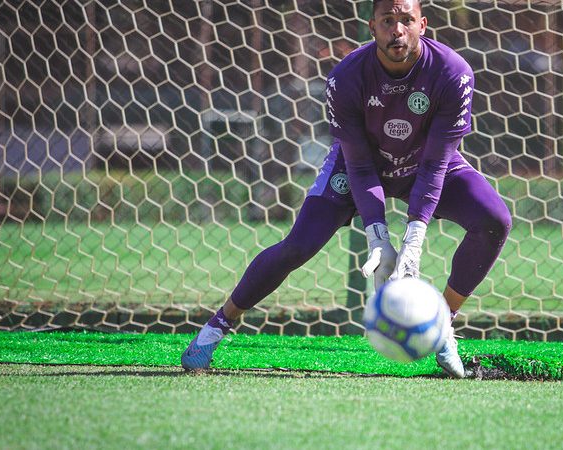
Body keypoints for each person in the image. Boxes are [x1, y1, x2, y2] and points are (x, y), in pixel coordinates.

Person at [182, 0, 511, 378]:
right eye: (388, 21)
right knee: (298, 246)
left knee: (494, 221)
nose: (397, 29)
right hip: (360, 165)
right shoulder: (346, 77)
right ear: (372, 28)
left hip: (425, 163)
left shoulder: (453, 73)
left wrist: (414, 237)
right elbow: (358, 163)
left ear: (422, 24)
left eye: (406, 20)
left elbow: (437, 162)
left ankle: (441, 323)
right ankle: (215, 328)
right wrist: (377, 234)